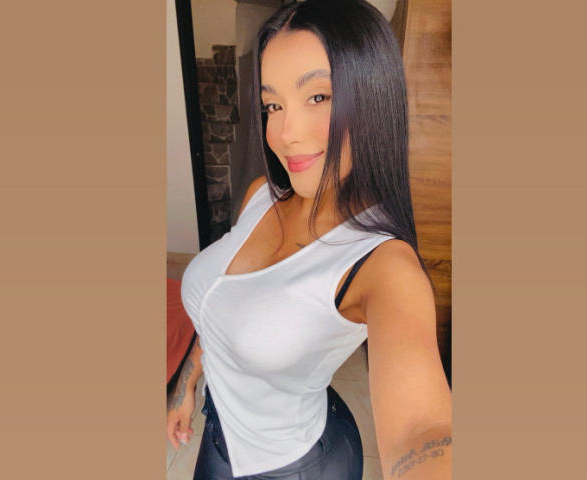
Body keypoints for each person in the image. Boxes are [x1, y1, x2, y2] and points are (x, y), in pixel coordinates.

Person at [167, 1, 452, 478]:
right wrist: (186, 386)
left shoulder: (382, 265)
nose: (285, 133)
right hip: (218, 435)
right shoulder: (261, 196)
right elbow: (219, 304)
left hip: (292, 466)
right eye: (272, 105)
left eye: (318, 96)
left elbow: (421, 428)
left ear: (374, 98)